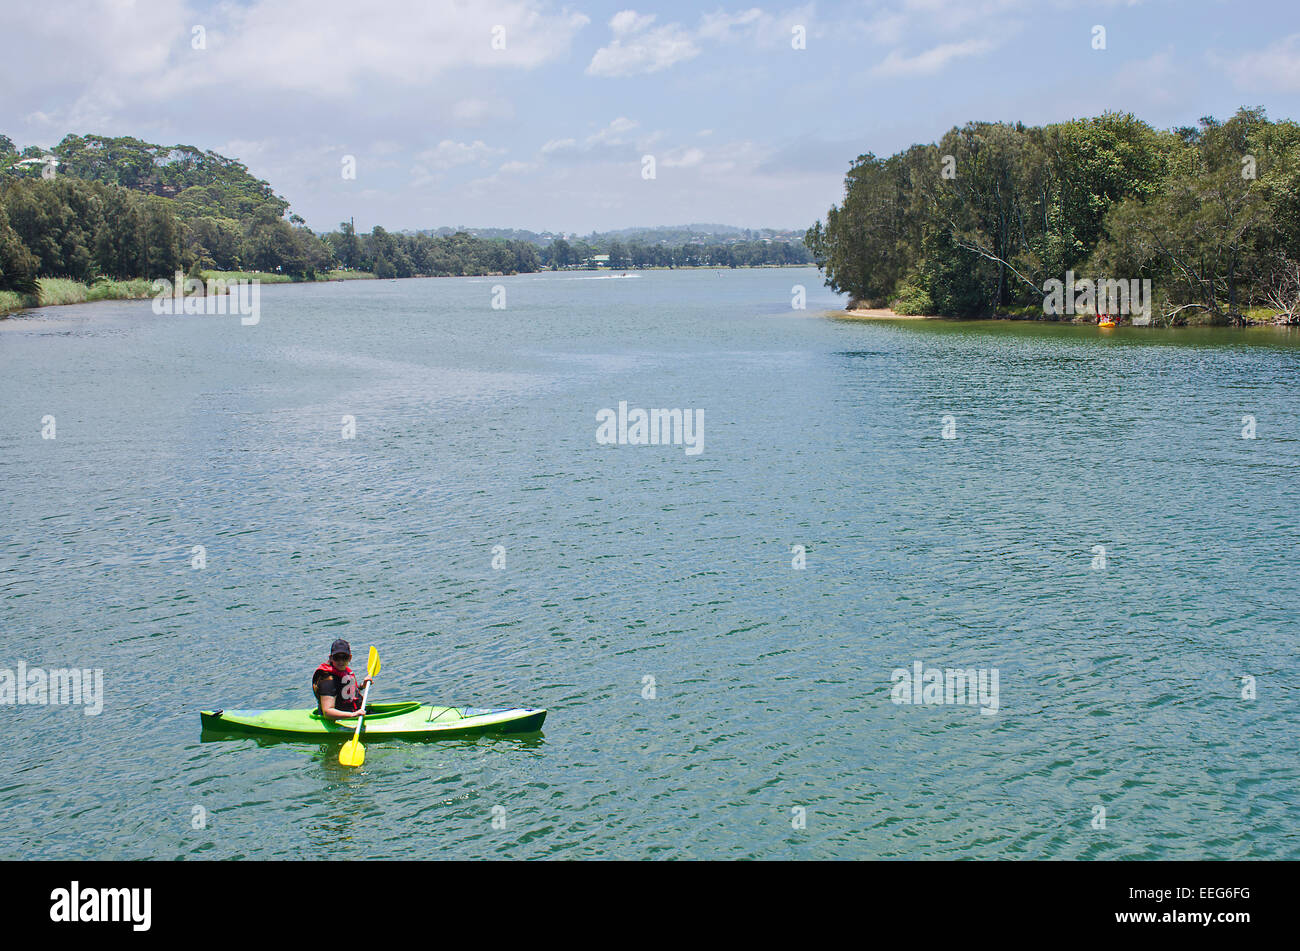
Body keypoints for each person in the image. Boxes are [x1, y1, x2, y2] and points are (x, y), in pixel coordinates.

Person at [312, 639, 374, 721]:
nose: (341, 661)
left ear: (350, 658)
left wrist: (363, 685)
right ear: (331, 658)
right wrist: (353, 715)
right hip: (342, 719)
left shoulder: (344, 672)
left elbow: (346, 693)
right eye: (337, 657)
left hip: (356, 713)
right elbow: (328, 711)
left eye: (344, 657)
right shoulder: (327, 680)